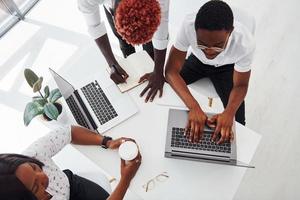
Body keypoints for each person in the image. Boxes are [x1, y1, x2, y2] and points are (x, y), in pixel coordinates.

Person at [165, 0, 255, 144]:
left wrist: (229, 112)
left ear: (230, 31)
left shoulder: (245, 43)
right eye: (202, 43)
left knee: (238, 124)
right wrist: (194, 106)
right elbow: (170, 71)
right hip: (197, 62)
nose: (209, 51)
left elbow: (241, 85)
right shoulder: (188, 24)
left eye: (218, 45)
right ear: (195, 30)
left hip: (227, 69)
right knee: (165, 87)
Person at [0, 125, 141, 200]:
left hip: (74, 188)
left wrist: (107, 142)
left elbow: (68, 132)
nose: (43, 176)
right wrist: (125, 180)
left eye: (34, 167)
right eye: (36, 187)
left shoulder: (33, 154)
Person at [78, 0, 170, 102]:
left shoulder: (161, 2)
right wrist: (112, 63)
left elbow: (161, 34)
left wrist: (158, 71)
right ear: (114, 16)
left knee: (150, 52)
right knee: (123, 42)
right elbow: (94, 26)